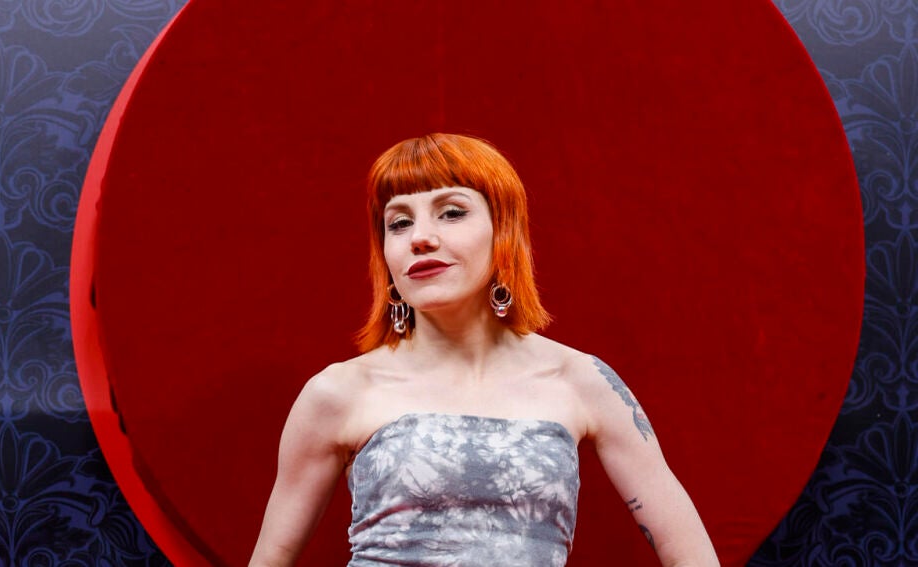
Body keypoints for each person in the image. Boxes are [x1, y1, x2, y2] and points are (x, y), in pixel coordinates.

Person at [248, 133, 718, 567]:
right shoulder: (338, 391)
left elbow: (693, 556)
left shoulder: (580, 380)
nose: (420, 237)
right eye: (399, 222)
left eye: (451, 213)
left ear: (503, 231)